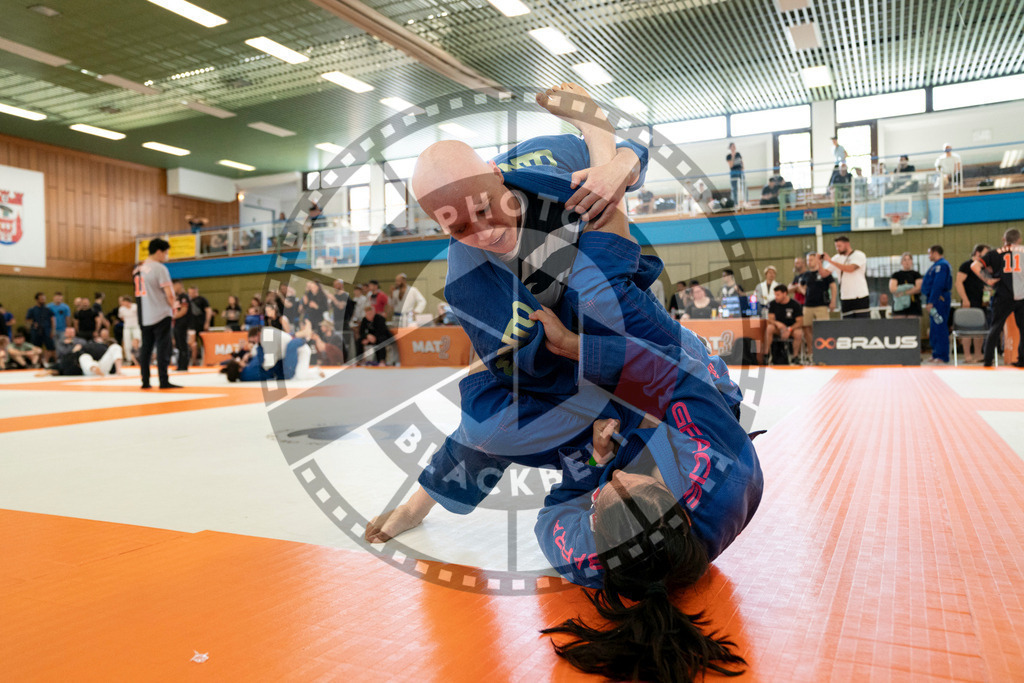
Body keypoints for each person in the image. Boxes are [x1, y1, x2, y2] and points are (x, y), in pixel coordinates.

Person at [972, 228, 1024, 368]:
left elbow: (974, 266)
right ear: (1019, 239)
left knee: (995, 328)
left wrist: (988, 280)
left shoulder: (995, 253)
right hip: (1022, 296)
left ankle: (988, 361)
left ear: (1004, 239)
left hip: (1003, 295)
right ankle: (1022, 360)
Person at [134, 238, 180, 389]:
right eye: (166, 253)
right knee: (163, 348)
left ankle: (145, 381)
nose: (166, 256)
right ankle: (163, 380)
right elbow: (169, 294)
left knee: (146, 349)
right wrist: (173, 307)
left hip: (144, 315)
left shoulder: (137, 269)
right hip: (160, 313)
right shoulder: (160, 268)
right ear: (159, 251)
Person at [221, 324, 314, 382]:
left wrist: (254, 353)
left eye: (253, 341)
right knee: (298, 377)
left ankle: (305, 338)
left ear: (257, 335)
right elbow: (268, 363)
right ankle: (306, 339)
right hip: (287, 358)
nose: (254, 344)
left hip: (294, 352)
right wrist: (257, 350)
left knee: (292, 345)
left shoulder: (265, 338)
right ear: (239, 369)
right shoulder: (249, 371)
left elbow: (267, 361)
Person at [796, 252, 838, 361]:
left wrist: (833, 301)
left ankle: (824, 352)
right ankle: (810, 352)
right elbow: (800, 284)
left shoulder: (824, 273)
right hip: (808, 305)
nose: (810, 262)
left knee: (824, 328)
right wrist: (804, 291)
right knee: (805, 326)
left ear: (817, 260)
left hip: (821, 305)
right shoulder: (806, 274)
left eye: (812, 259)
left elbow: (833, 286)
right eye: (808, 260)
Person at [956, 244, 991, 363]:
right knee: (967, 330)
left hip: (981, 302)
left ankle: (978, 354)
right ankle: (967, 356)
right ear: (977, 253)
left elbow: (988, 283)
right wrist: (965, 299)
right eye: (985, 253)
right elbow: (958, 283)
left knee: (979, 330)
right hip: (969, 302)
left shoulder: (983, 268)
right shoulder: (966, 266)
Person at [823, 235, 869, 318]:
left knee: (862, 324)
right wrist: (818, 263)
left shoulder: (859, 255)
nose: (837, 248)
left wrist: (830, 261)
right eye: (836, 246)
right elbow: (824, 273)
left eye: (839, 246)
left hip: (860, 296)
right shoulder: (836, 258)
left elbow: (850, 269)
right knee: (847, 324)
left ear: (847, 244)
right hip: (845, 296)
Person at [921, 245, 953, 364]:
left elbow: (938, 284)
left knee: (940, 326)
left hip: (939, 299)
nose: (929, 256)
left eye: (929, 253)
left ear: (935, 253)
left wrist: (932, 301)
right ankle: (936, 353)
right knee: (934, 327)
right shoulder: (936, 266)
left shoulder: (942, 265)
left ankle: (942, 355)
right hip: (934, 298)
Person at [759, 284, 803, 364]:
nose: (776, 297)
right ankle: (766, 355)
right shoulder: (773, 304)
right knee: (769, 328)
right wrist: (777, 323)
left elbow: (800, 322)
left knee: (799, 333)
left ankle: (795, 357)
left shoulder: (795, 305)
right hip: (778, 329)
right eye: (775, 294)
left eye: (778, 295)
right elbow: (770, 319)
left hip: (791, 329)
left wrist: (789, 329)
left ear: (785, 294)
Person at [888, 252, 923, 318]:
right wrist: (911, 289)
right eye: (904, 260)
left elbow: (918, 288)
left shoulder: (916, 274)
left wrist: (903, 292)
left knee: (913, 326)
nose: (907, 262)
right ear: (901, 262)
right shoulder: (896, 275)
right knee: (900, 326)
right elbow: (892, 289)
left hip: (914, 306)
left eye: (909, 259)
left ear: (912, 261)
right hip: (899, 307)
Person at [25, 292, 55, 364]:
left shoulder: (48, 309)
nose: (43, 300)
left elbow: (53, 320)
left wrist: (53, 331)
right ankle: (39, 362)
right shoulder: (32, 309)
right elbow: (27, 320)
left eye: (44, 299)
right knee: (36, 347)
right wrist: (33, 324)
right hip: (36, 332)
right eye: (41, 299)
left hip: (47, 331)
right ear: (37, 299)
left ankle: (46, 362)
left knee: (50, 347)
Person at [187, 286, 212, 365]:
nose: (190, 294)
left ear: (195, 291)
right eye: (189, 292)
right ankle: (194, 361)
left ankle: (206, 360)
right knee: (192, 344)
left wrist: (207, 323)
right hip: (191, 326)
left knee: (205, 344)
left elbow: (208, 311)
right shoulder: (188, 300)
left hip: (201, 325)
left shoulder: (202, 300)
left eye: (191, 292)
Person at [171, 281, 191, 370]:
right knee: (178, 345)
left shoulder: (184, 297)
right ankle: (180, 364)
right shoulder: (177, 297)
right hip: (177, 323)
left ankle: (184, 365)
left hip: (182, 323)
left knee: (182, 344)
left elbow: (184, 310)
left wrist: (173, 317)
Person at [118, 295, 142, 364]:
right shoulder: (121, 309)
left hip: (135, 326)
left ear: (127, 302)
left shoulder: (135, 307)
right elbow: (121, 317)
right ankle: (129, 359)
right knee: (127, 343)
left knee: (138, 341)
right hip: (127, 327)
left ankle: (139, 357)